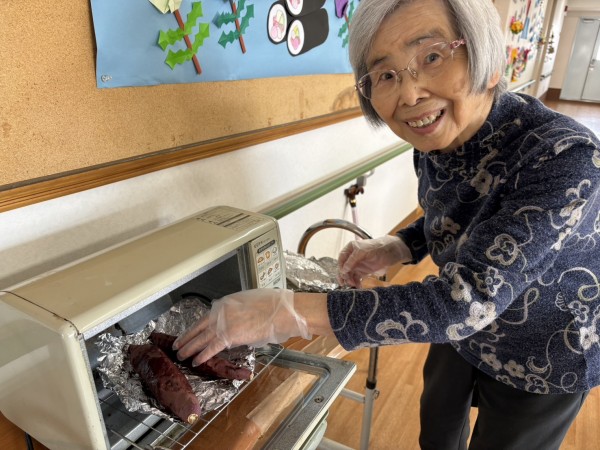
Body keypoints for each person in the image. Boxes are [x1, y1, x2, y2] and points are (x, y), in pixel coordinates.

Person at [174, 0, 600, 448]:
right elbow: (462, 217)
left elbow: (466, 301)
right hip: (463, 338)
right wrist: (401, 244)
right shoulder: (433, 137)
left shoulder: (565, 158)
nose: (409, 95)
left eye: (431, 56)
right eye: (386, 75)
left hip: (546, 348)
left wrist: (285, 312)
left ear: (488, 63)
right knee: (437, 431)